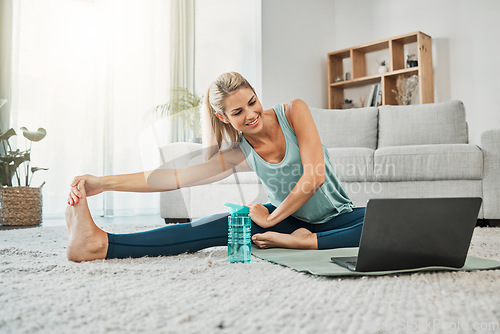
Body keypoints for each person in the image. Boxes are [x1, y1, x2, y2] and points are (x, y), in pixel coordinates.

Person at [66, 72, 365, 262]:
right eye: (238, 111)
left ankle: (305, 242)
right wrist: (103, 183)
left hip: (338, 218)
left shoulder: (294, 112)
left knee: (389, 220)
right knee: (210, 226)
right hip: (286, 221)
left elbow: (314, 176)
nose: (251, 115)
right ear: (224, 118)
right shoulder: (238, 153)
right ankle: (99, 244)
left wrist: (273, 221)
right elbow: (174, 177)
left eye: (252, 102)